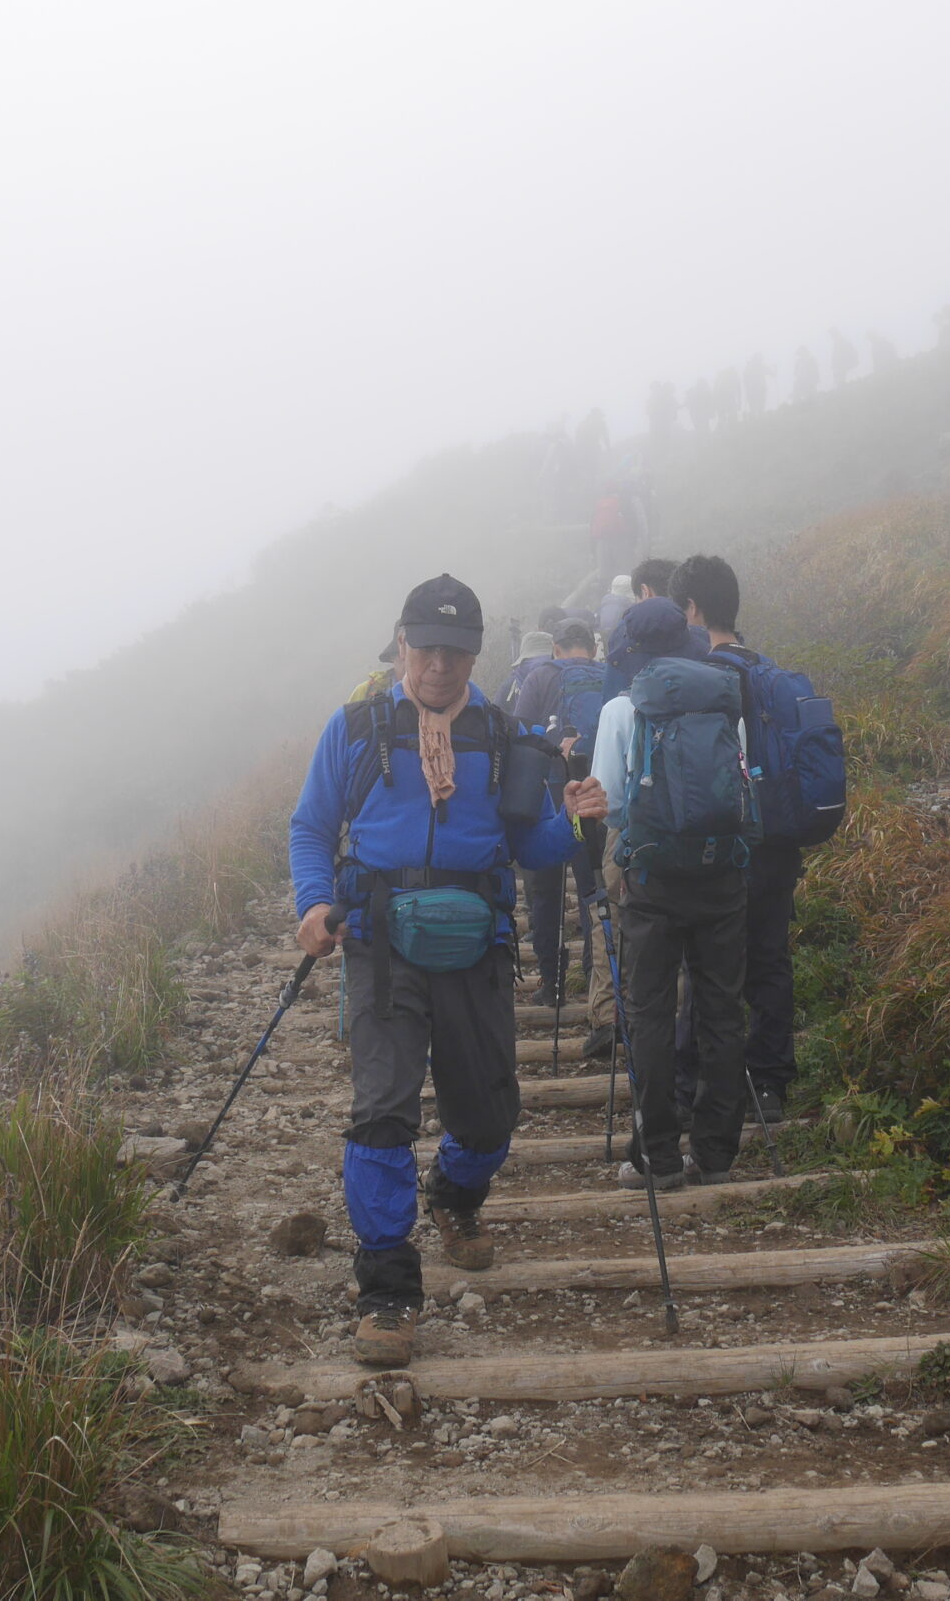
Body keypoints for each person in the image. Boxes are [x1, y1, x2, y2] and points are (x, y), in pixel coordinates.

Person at [289, 574, 607, 1366]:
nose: (440, 665)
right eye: (427, 647)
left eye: (457, 651)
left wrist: (574, 821)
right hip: (379, 941)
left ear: (476, 655)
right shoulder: (358, 727)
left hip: (476, 943)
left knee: (489, 1116)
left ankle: (455, 1197)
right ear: (402, 645)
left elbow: (532, 849)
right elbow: (311, 825)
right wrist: (314, 902)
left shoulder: (503, 736)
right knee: (382, 1112)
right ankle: (388, 1289)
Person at [589, 598, 751, 1189]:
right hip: (722, 874)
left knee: (651, 1011)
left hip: (653, 880)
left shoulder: (621, 707)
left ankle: (656, 1155)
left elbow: (606, 799)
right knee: (721, 1010)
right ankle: (715, 1153)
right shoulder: (723, 696)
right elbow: (739, 784)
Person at [668, 554, 806, 1118]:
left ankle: (697, 1086)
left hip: (723, 846)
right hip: (777, 841)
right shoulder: (771, 672)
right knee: (770, 960)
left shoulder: (702, 679)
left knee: (708, 968)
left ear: (693, 609)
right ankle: (770, 1084)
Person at [514, 621, 606, 1009]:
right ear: (591, 647)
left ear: (556, 647)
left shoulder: (538, 677)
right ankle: (595, 979)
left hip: (548, 791)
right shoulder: (607, 676)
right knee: (591, 889)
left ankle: (551, 984)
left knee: (547, 893)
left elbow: (519, 734)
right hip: (593, 793)